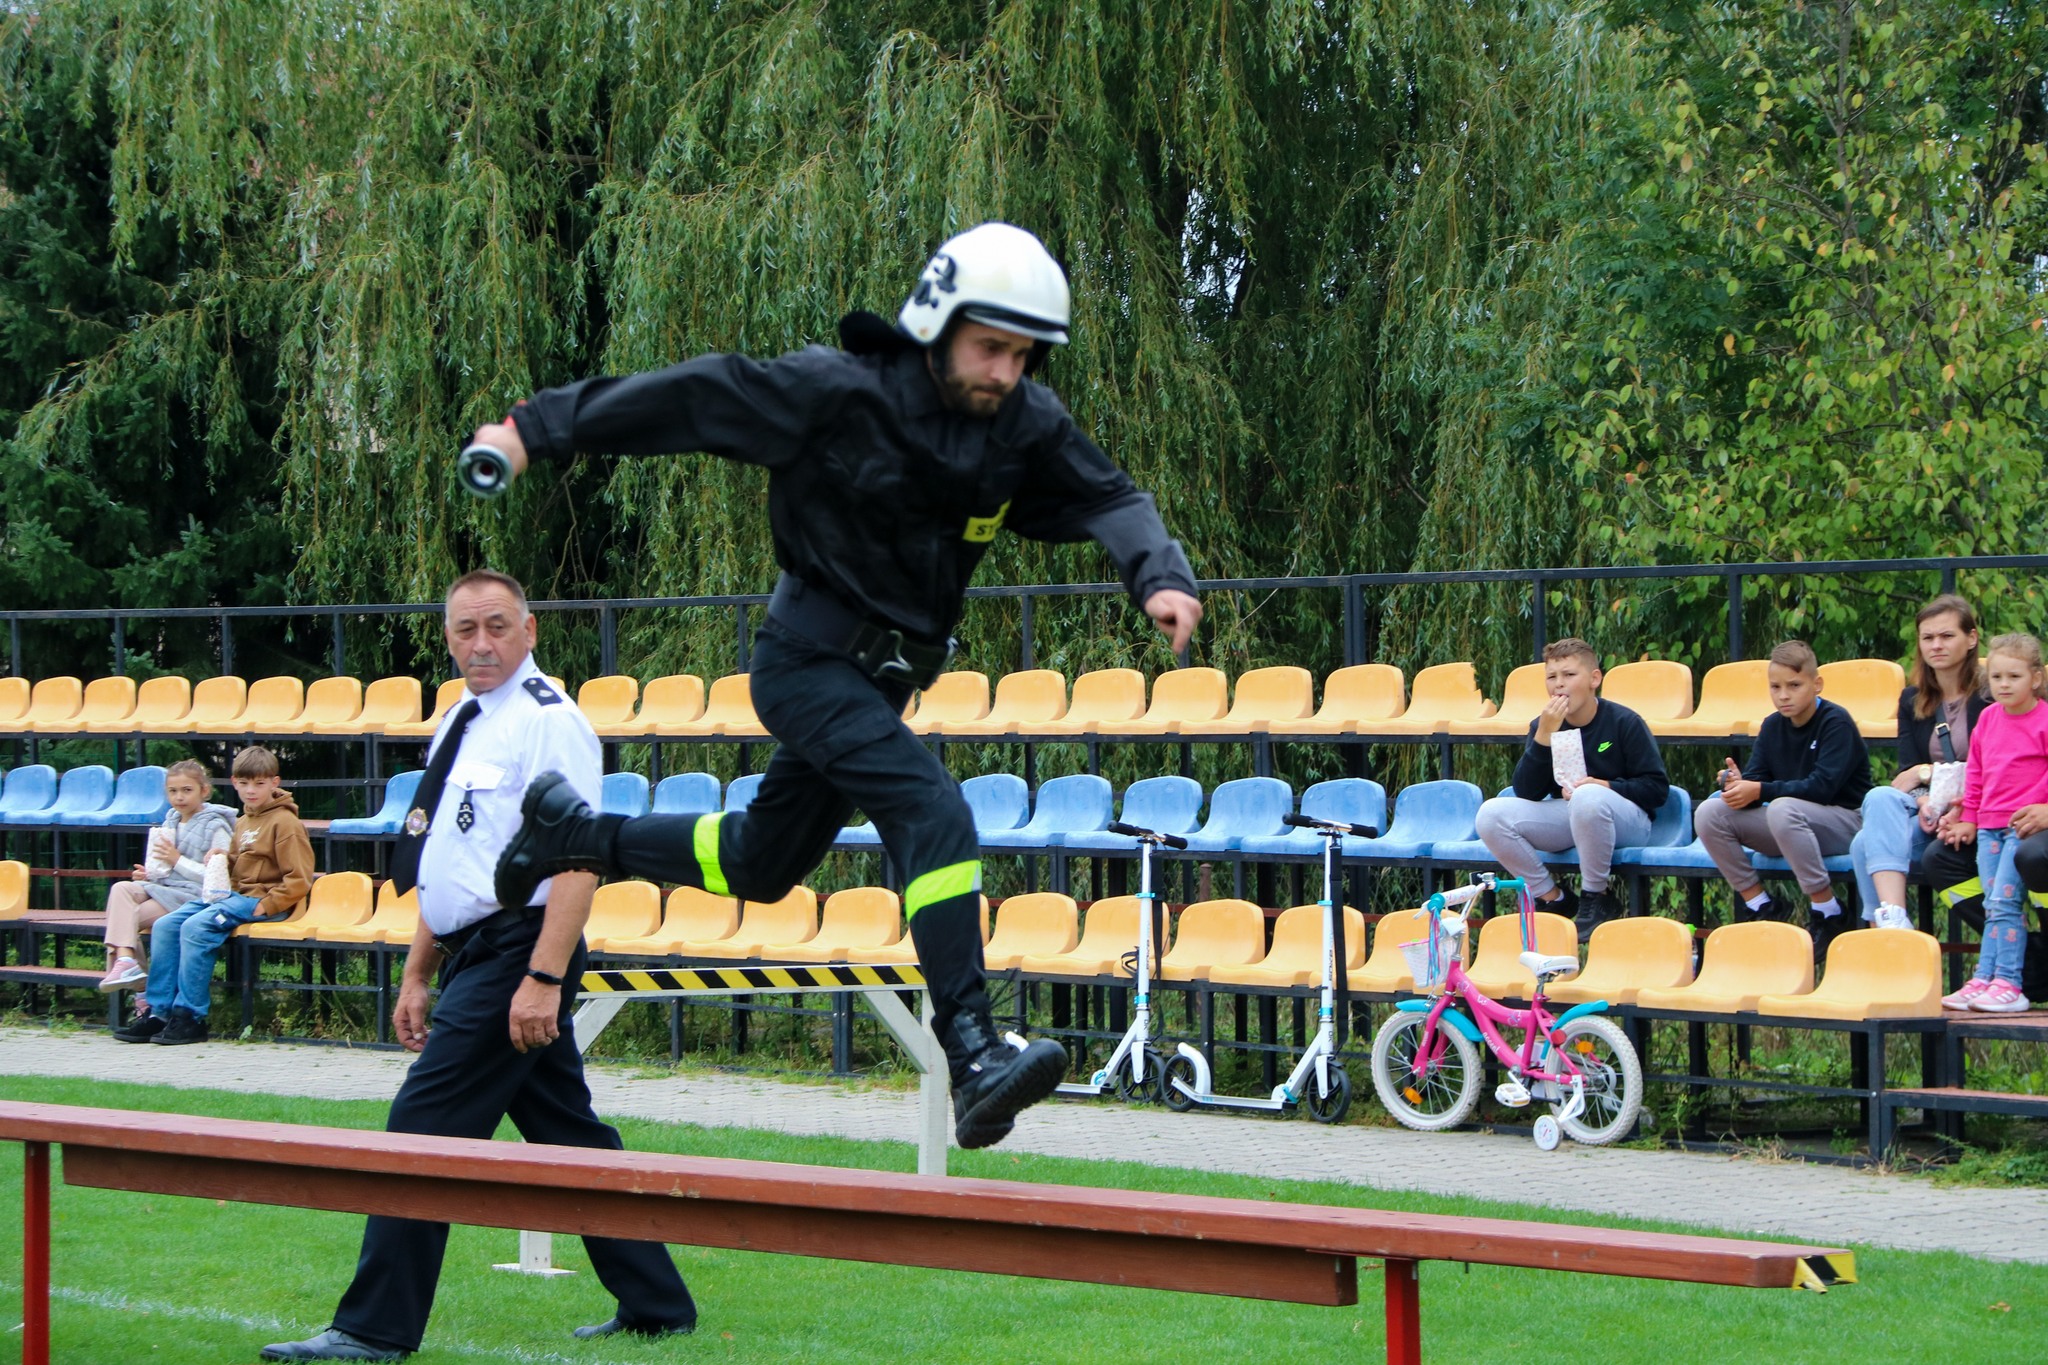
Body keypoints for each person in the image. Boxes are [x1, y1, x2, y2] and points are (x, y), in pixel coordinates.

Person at [472, 222, 1202, 1150]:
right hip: (805, 660)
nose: (1006, 372)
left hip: (883, 681)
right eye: (990, 348)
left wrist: (1158, 573)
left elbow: (1109, 496)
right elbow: (693, 399)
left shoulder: (1023, 423)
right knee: (933, 811)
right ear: (936, 323)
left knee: (761, 863)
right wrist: (531, 430)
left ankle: (574, 835)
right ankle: (973, 1047)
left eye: (1024, 356)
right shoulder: (836, 393)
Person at [262, 571, 697, 1362]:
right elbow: (446, 860)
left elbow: (578, 860)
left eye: (498, 625)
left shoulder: (549, 721)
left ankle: (372, 1329)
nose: (482, 642)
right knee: (568, 1134)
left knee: (420, 1127)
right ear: (448, 637)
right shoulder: (462, 717)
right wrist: (417, 971)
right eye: (466, 629)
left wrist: (544, 976)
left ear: (530, 631)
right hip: (475, 951)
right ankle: (657, 1304)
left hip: (522, 950)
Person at [112, 746, 313, 1045]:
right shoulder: (244, 821)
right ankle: (159, 1013)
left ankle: (190, 1018)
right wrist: (224, 858)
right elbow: (239, 867)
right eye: (244, 783)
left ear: (274, 782)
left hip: (261, 901)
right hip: (233, 897)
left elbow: (299, 879)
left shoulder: (286, 823)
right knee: (166, 925)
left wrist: (266, 905)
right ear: (234, 783)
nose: (251, 791)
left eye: (259, 783)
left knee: (196, 928)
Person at [1473, 638, 1669, 935]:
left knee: (1587, 797)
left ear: (1594, 679)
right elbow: (1527, 792)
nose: (1559, 684)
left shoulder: (1624, 722)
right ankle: (1553, 898)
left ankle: (1597, 896)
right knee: (1490, 815)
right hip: (1573, 812)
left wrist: (1604, 786)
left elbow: (1656, 789)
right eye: (1551, 677)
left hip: (1628, 822)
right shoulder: (1544, 725)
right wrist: (1543, 737)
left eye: (1569, 675)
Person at [1694, 641, 1870, 955]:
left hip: (1845, 823)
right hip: (1790, 824)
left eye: (1794, 685)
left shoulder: (1836, 722)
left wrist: (1759, 790)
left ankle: (1828, 910)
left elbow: (1822, 788)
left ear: (1817, 684)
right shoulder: (1772, 725)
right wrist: (1737, 786)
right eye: (1775, 687)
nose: (1784, 695)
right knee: (1709, 812)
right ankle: (1761, 905)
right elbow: (1757, 783)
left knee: (1781, 808)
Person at [1848, 594, 1988, 930]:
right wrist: (1925, 800)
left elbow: (1995, 767)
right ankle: (1894, 920)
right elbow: (1904, 774)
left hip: (1975, 809)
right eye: (1928, 638)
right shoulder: (1912, 699)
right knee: (1880, 796)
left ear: (1971, 639)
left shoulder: (1991, 696)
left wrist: (1925, 773)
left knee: (1863, 843)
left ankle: (1883, 931)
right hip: (1930, 809)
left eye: (1947, 636)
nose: (1936, 645)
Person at [1936, 633, 2048, 1013]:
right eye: (1997, 677)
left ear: (2035, 678)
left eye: (2014, 677)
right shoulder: (1987, 718)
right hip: (1988, 829)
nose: (2004, 684)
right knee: (1992, 905)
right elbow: (1977, 772)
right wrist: (1969, 817)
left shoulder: (2044, 719)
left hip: (2022, 827)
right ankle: (1984, 977)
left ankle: (2010, 984)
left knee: (2004, 902)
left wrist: (2039, 804)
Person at [98, 759, 236, 992]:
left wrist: (176, 860)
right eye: (173, 791)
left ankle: (140, 988)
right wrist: (150, 875)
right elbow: (166, 868)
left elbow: (218, 880)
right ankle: (126, 961)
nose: (179, 797)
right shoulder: (170, 820)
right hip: (164, 888)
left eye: (187, 790)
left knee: (122, 918)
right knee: (120, 889)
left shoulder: (217, 826)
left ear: (204, 791)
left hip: (192, 895)